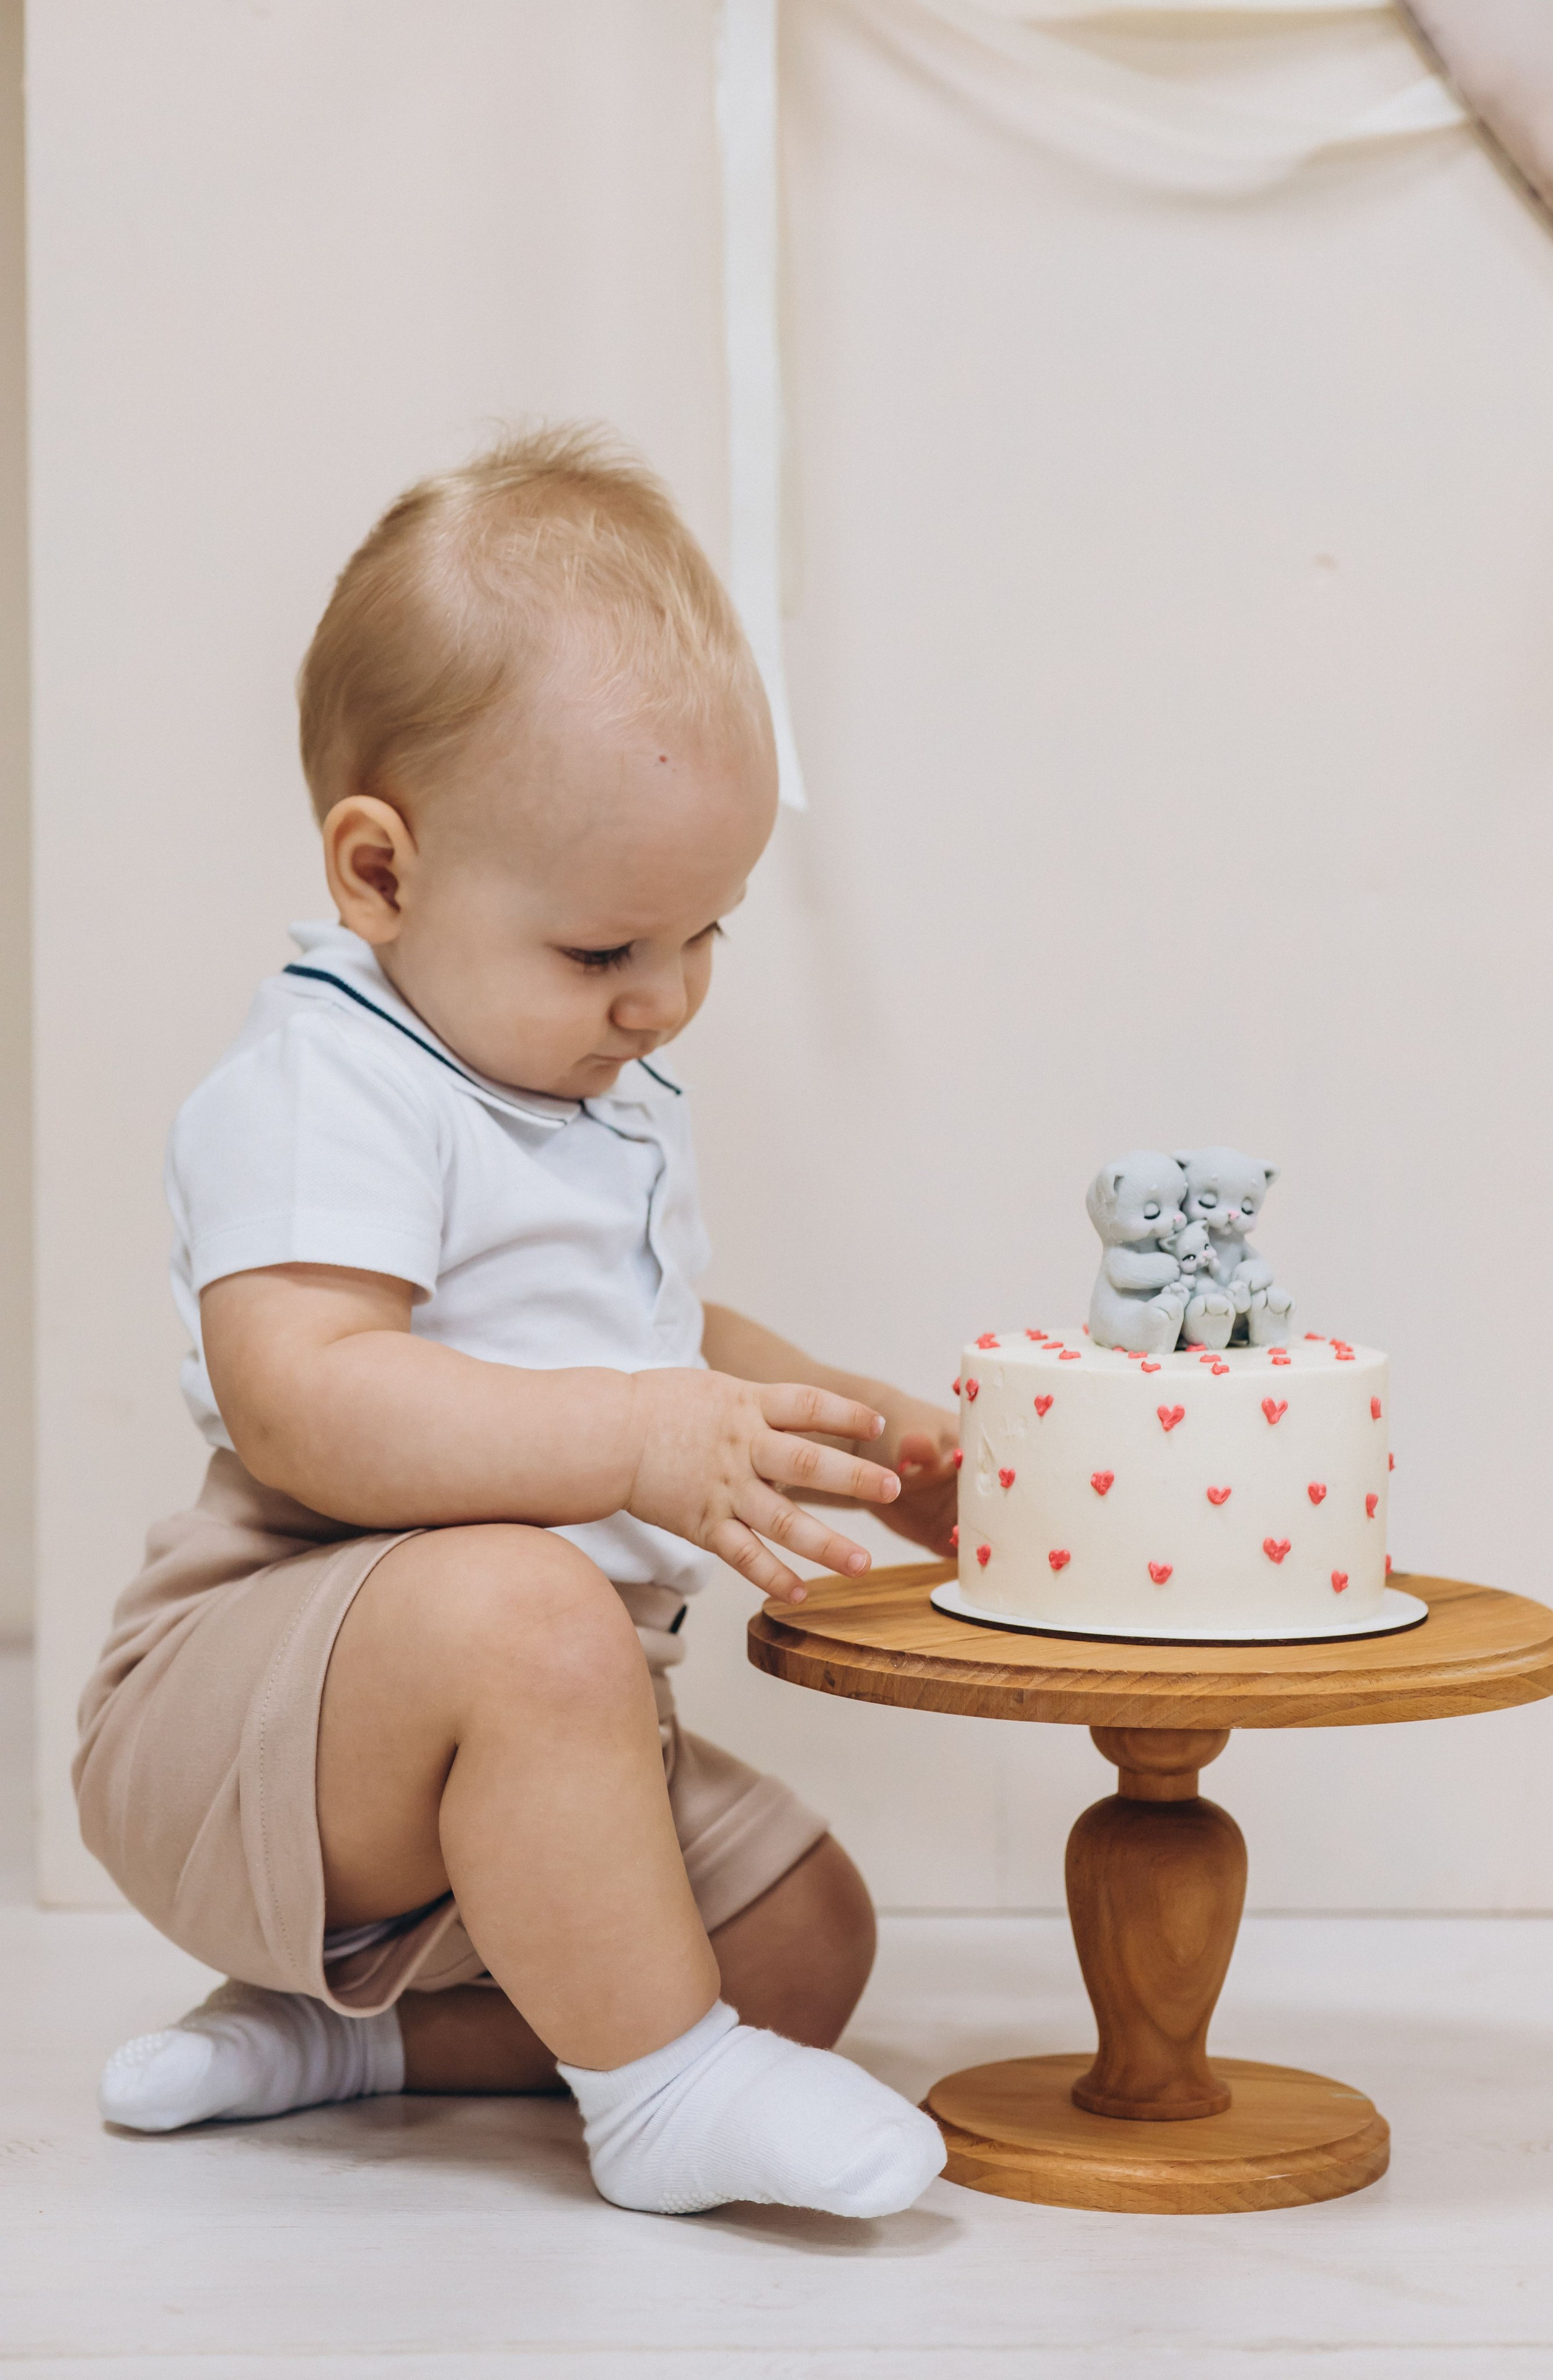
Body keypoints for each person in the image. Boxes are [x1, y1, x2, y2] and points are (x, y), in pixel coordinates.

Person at [76, 426, 961, 2221]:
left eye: (702, 935)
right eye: (600, 953)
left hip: (539, 1716)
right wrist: (641, 1441)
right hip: (247, 1715)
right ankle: (655, 2101)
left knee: (803, 1950)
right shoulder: (332, 1081)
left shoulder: (574, 1092)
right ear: (381, 875)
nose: (662, 1001)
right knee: (522, 1598)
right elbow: (305, 1405)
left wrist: (850, 1431)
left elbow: (646, 1325)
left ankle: (354, 2044)